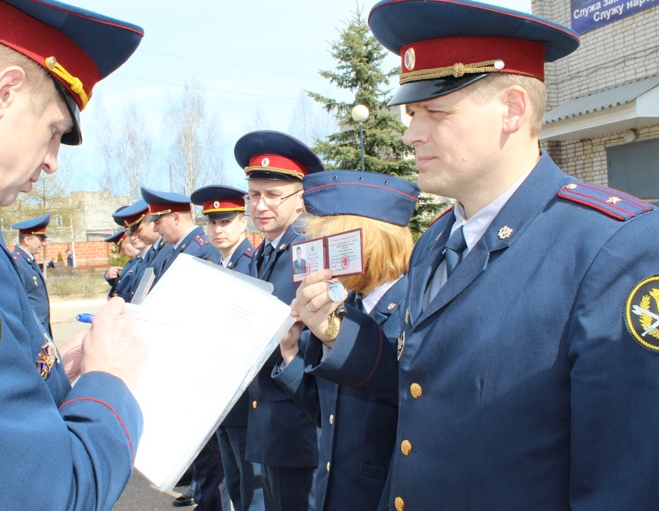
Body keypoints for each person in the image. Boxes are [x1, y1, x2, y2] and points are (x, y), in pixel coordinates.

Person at [293, 0, 659, 508]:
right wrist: (335, 331)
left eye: (435, 112)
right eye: (411, 113)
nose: (410, 133)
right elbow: (423, 386)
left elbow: (626, 481)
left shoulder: (613, 246)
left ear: (513, 109)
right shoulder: (436, 241)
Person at [0, 0, 147, 508]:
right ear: (5, 92)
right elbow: (44, 496)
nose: (52, 162)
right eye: (55, 132)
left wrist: (39, 376)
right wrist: (110, 377)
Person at [274, 170, 419, 511]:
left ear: (369, 243)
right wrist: (292, 354)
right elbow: (329, 415)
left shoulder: (414, 310)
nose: (315, 258)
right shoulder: (346, 304)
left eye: (330, 244)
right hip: (331, 492)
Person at [235, 130, 323, 511]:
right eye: (253, 195)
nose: (260, 206)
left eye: (273, 195)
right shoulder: (266, 251)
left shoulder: (312, 249)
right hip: (269, 424)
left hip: (297, 425)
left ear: (300, 197)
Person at [191, 184, 264, 511]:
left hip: (245, 399)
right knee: (235, 485)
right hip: (221, 400)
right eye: (213, 222)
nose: (218, 229)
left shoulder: (251, 265)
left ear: (242, 223)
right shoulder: (220, 268)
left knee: (253, 490)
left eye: (226, 221)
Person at [141, 187, 221, 283]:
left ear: (175, 218)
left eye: (158, 223)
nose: (155, 229)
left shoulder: (203, 250)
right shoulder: (175, 249)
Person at [11, 213, 52, 335]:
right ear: (27, 240)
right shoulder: (18, 263)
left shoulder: (29, 261)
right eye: (41, 239)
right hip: (32, 329)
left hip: (41, 325)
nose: (43, 243)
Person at [103, 227, 140, 299]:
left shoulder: (143, 260)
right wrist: (109, 276)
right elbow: (121, 284)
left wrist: (120, 298)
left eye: (123, 249)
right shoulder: (131, 263)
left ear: (131, 243)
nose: (122, 253)